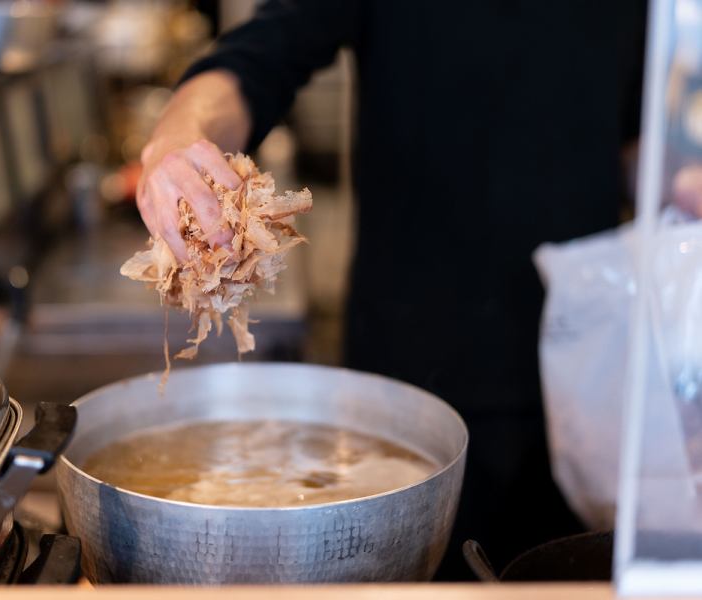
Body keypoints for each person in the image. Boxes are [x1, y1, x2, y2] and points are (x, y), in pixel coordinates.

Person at [136, 0, 651, 579]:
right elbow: (262, 55)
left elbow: (629, 138)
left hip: (586, 381)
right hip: (409, 389)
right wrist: (180, 138)